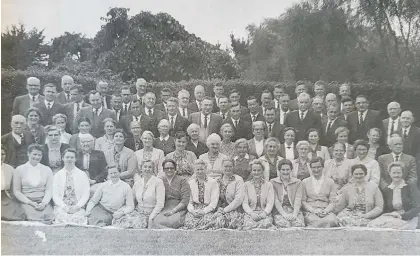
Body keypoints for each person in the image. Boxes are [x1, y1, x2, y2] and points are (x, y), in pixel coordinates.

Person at [368, 162, 420, 230]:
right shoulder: (387, 189)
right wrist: (391, 214)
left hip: (410, 217)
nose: (396, 175)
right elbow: (385, 209)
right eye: (394, 173)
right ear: (389, 174)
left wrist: (403, 216)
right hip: (393, 217)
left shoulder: (410, 187)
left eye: (399, 173)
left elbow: (417, 207)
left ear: (402, 173)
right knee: (374, 225)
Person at [114, 160, 165, 228]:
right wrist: (123, 211)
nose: (147, 169)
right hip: (138, 212)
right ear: (141, 168)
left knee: (131, 224)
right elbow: (131, 201)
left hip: (151, 213)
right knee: (118, 219)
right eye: (145, 167)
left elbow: (160, 204)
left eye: (150, 167)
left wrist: (151, 217)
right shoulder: (137, 183)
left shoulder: (158, 182)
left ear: (153, 169)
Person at [13, 144, 54, 223]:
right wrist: (30, 202)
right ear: (28, 153)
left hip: (42, 201)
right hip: (27, 201)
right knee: (32, 219)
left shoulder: (47, 169)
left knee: (49, 218)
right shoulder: (19, 169)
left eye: (40, 155)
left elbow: (49, 190)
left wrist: (44, 203)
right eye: (34, 154)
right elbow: (17, 191)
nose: (37, 157)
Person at [53, 148, 90, 225]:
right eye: (67, 157)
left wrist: (78, 206)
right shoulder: (57, 175)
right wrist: (64, 206)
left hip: (77, 206)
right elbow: (55, 194)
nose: (69, 159)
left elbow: (86, 193)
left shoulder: (82, 174)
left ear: (75, 159)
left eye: (72, 157)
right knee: (62, 219)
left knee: (77, 220)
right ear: (63, 158)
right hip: (62, 206)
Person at [149, 159, 190, 229]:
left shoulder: (183, 180)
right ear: (163, 170)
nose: (169, 170)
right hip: (164, 208)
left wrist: (173, 211)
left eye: (172, 168)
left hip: (178, 208)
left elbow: (185, 200)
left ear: (175, 169)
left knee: (173, 221)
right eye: (167, 168)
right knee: (156, 220)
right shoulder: (160, 180)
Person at [301, 157, 338, 227]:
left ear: (323, 167)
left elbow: (333, 201)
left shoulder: (330, 182)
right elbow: (303, 201)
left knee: (332, 220)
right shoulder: (305, 182)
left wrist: (326, 211)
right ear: (310, 168)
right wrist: (313, 210)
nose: (316, 170)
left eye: (319, 167)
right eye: (314, 167)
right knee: (311, 220)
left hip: (325, 210)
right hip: (311, 211)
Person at [183, 159, 220, 230]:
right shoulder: (190, 183)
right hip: (195, 209)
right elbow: (189, 201)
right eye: (197, 169)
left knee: (207, 222)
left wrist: (204, 211)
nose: (200, 171)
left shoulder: (213, 182)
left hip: (207, 208)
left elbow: (214, 202)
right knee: (189, 223)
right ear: (194, 170)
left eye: (202, 169)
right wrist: (192, 211)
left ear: (206, 169)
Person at [270, 159, 305, 228]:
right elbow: (275, 200)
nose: (285, 172)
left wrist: (294, 214)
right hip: (279, 210)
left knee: (298, 224)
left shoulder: (298, 182)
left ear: (291, 170)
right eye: (283, 170)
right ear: (279, 170)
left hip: (294, 209)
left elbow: (298, 199)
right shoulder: (273, 182)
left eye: (287, 169)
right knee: (283, 224)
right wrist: (284, 214)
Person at [242, 159, 275, 230]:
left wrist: (265, 213)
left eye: (259, 170)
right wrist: (251, 213)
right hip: (251, 213)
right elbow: (244, 203)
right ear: (251, 171)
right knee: (249, 225)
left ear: (262, 171)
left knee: (265, 224)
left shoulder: (269, 185)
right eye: (254, 170)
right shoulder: (246, 185)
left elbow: (270, 202)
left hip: (264, 212)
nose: (256, 172)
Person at [212, 159, 245, 229]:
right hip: (219, 210)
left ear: (234, 167)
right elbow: (213, 198)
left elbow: (239, 199)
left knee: (228, 223)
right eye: (225, 166)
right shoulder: (217, 180)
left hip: (234, 209)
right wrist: (218, 209)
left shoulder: (238, 180)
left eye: (230, 166)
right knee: (212, 221)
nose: (228, 168)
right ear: (221, 167)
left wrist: (224, 210)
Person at [1, 146, 26, 221]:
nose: (1, 156)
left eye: (3, 154)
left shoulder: (10, 169)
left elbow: (13, 190)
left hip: (5, 197)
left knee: (19, 215)